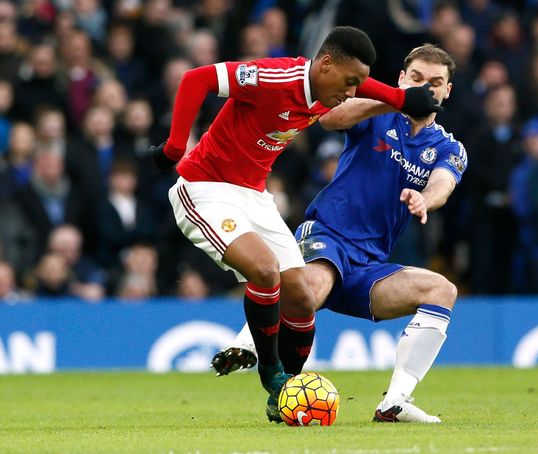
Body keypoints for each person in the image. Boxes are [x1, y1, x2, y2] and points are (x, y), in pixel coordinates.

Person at [147, 26, 442, 420]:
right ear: (325, 64)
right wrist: (174, 145)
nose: (353, 92)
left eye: (359, 83)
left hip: (255, 195)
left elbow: (379, 89)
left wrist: (406, 98)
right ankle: (272, 375)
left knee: (301, 295)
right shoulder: (274, 78)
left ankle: (285, 398)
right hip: (206, 187)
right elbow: (195, 79)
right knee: (265, 270)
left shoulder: (331, 86)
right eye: (350, 82)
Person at [212, 44, 466, 423]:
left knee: (441, 290)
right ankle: (248, 343)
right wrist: (395, 102)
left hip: (368, 264)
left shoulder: (448, 146)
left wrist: (425, 200)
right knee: (315, 283)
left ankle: (394, 403)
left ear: (447, 91)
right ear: (401, 79)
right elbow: (331, 119)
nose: (426, 89)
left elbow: (444, 183)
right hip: (327, 235)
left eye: (436, 83)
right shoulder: (377, 113)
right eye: (417, 80)